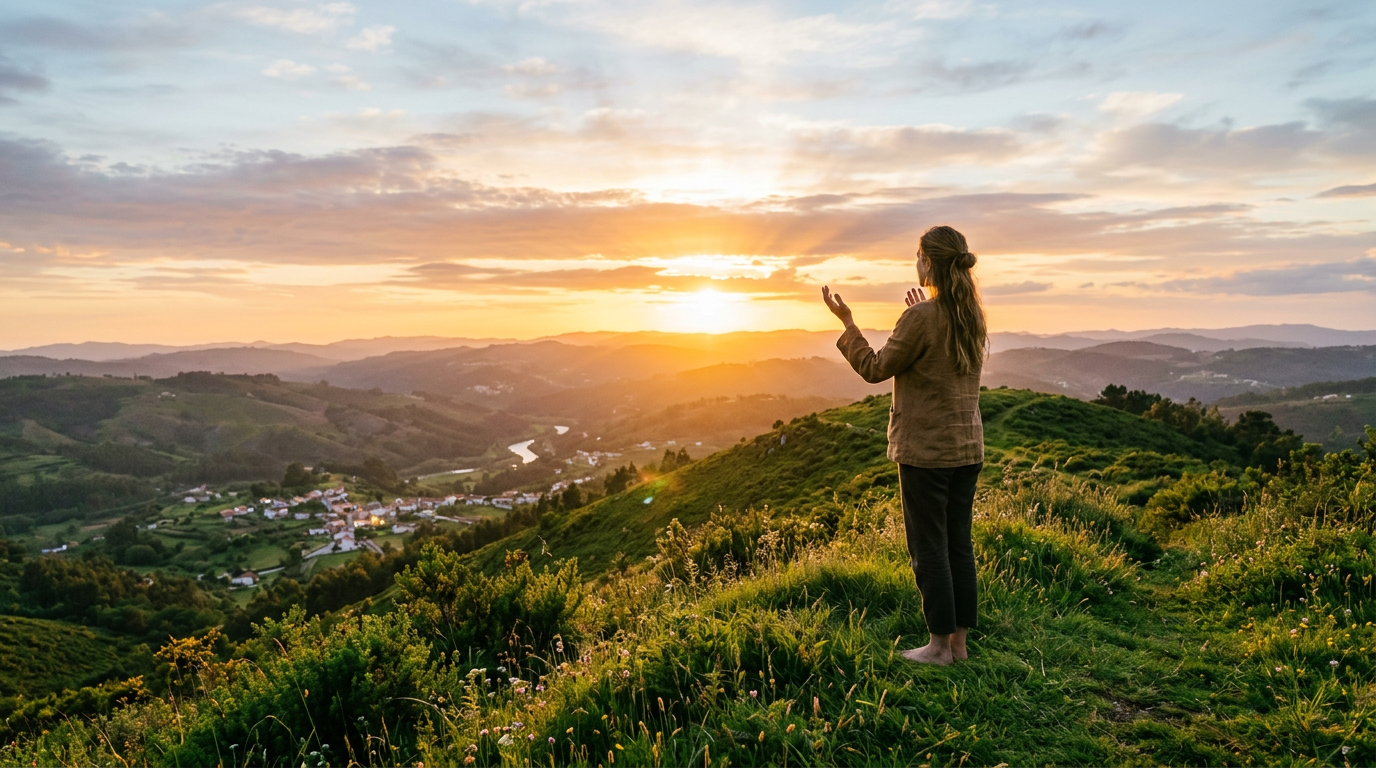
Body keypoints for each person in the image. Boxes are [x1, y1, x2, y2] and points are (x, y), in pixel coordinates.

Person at [821, 225, 987, 666]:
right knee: (958, 546)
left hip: (927, 453)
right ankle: (959, 646)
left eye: (918, 256)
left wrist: (849, 324)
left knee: (929, 548)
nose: (916, 262)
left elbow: (876, 368)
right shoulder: (970, 313)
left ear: (928, 263)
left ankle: (937, 648)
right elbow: (939, 357)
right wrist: (922, 312)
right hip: (966, 448)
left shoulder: (923, 317)